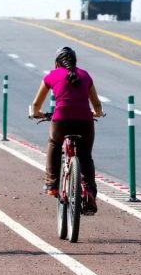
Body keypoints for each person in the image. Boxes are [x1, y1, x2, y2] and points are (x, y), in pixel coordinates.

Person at [30, 46, 103, 213]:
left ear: (57, 63)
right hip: (85, 122)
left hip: (61, 121)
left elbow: (35, 105)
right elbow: (97, 105)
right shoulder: (85, 75)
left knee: (54, 143)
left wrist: (36, 114)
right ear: (75, 62)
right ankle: (89, 191)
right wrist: (97, 113)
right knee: (85, 157)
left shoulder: (51, 75)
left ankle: (51, 184)